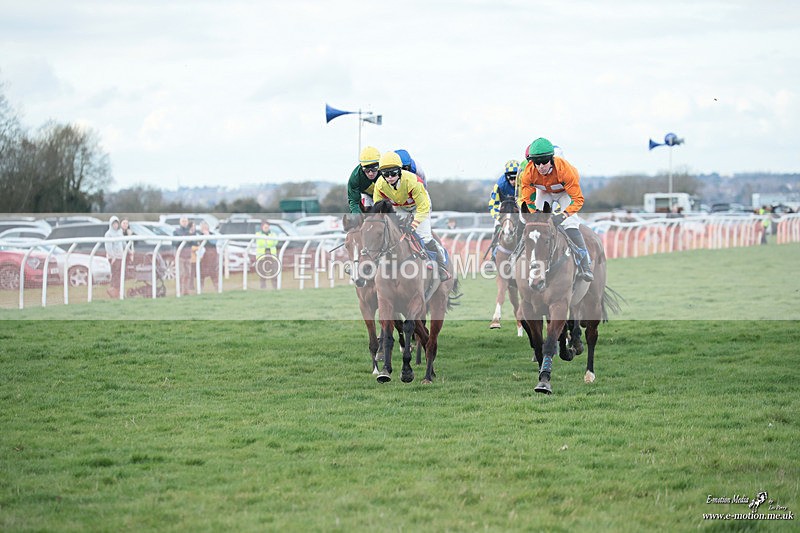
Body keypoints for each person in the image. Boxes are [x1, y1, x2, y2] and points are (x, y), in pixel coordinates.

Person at [519, 137, 594, 282]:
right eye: (537, 163)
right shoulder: (528, 173)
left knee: (570, 224)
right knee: (532, 223)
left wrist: (563, 215)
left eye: (544, 162)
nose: (540, 166)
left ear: (551, 159)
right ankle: (520, 256)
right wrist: (534, 215)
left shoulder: (565, 170)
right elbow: (526, 199)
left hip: (564, 193)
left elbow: (578, 199)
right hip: (544, 192)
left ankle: (584, 264)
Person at [372, 151, 450, 280]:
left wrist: (413, 225)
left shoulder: (413, 181)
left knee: (424, 237)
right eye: (386, 174)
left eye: (393, 173)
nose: (390, 177)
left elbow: (423, 207)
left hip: (419, 207)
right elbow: (378, 207)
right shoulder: (380, 184)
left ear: (400, 171)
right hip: (400, 207)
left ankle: (442, 267)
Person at [347, 146, 382, 214]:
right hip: (367, 196)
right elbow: (354, 202)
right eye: (366, 170)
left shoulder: (386, 173)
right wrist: (357, 217)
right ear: (361, 166)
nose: (370, 173)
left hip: (385, 196)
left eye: (374, 168)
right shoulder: (355, 177)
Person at [104, 216, 125, 298]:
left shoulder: (120, 232)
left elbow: (123, 243)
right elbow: (108, 247)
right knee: (115, 274)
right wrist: (113, 257)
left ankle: (118, 291)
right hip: (113, 258)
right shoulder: (108, 234)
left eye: (116, 224)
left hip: (120, 256)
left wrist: (129, 250)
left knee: (120, 274)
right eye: (114, 224)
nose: (115, 225)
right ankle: (114, 290)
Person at [173, 216, 194, 295]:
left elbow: (194, 242)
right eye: (183, 221)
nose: (184, 222)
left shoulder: (190, 232)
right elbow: (174, 243)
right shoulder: (176, 232)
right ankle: (179, 290)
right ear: (180, 222)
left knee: (188, 274)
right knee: (181, 274)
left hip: (188, 256)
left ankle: (186, 291)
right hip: (180, 256)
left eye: (186, 221)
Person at [255, 220, 278, 289]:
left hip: (272, 255)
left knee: (273, 273)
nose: (266, 228)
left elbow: (274, 243)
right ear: (262, 227)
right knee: (262, 273)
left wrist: (266, 242)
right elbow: (260, 243)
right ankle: (263, 288)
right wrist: (268, 242)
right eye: (265, 227)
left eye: (267, 227)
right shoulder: (258, 234)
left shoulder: (273, 234)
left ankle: (275, 287)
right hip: (262, 256)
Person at [198, 221, 219, 291]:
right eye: (202, 227)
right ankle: (200, 289)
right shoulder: (198, 235)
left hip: (212, 257)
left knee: (214, 274)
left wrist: (208, 236)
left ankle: (218, 289)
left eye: (205, 227)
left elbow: (214, 242)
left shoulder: (213, 234)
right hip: (202, 258)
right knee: (201, 274)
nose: (204, 228)